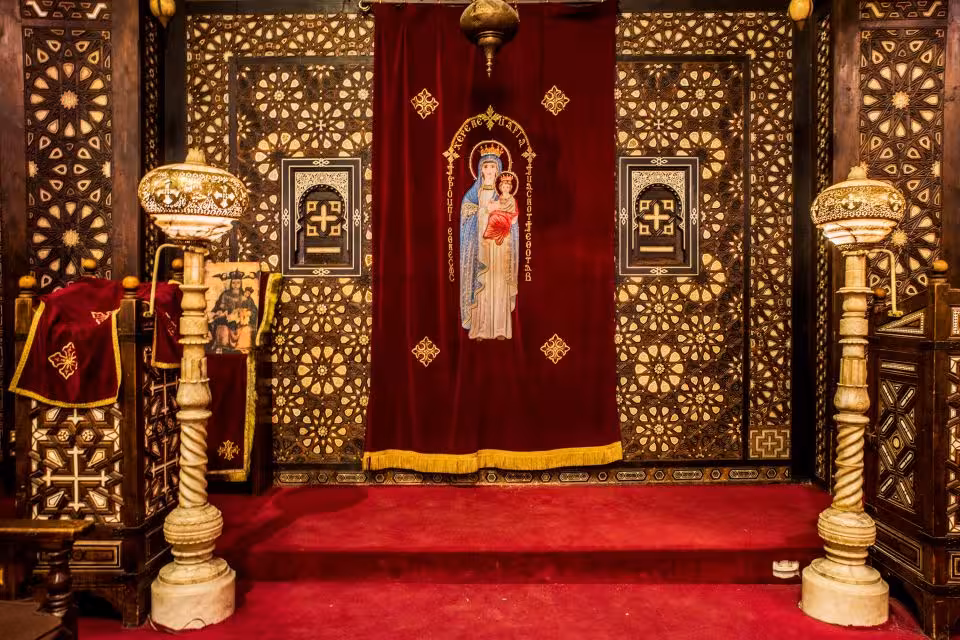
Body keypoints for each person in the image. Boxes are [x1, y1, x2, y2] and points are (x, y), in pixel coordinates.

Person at [460, 143, 519, 340]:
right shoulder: (473, 194)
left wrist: (501, 216)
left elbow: (513, 219)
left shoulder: (504, 195)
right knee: (482, 286)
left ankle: (500, 329)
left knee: (498, 284)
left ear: (499, 170)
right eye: (486, 166)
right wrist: (483, 212)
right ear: (479, 169)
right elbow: (466, 213)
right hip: (480, 247)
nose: (489, 170)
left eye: (493, 166)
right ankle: (480, 329)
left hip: (499, 248)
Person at [483, 172, 519, 246]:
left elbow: (507, 207)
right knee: (492, 216)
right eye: (504, 187)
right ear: (500, 188)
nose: (505, 189)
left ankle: (490, 236)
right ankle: (494, 236)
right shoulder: (501, 196)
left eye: (507, 187)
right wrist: (493, 202)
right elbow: (499, 203)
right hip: (502, 213)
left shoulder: (511, 198)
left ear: (510, 188)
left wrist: (497, 206)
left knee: (494, 217)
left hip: (509, 215)